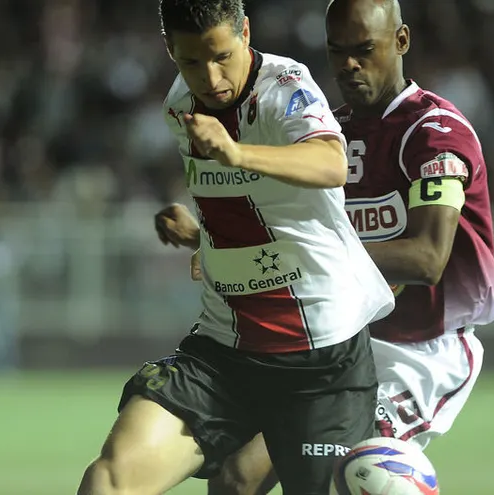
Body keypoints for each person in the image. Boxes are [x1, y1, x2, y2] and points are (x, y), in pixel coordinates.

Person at [160, 0, 494, 493]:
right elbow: (290, 233)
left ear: (401, 42)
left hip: (419, 352)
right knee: (235, 477)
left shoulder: (434, 135)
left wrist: (300, 260)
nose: (348, 64)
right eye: (337, 51)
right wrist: (209, 239)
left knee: (354, 477)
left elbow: (427, 259)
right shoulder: (324, 130)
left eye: (364, 49)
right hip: (334, 342)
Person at [78, 0, 395, 494]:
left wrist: (235, 150)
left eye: (221, 55)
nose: (210, 76)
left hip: (321, 360)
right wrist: (202, 237)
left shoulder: (285, 86)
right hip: (225, 350)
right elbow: (258, 211)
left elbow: (331, 163)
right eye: (190, 61)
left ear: (245, 32)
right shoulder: (179, 104)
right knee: (110, 481)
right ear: (169, 50)